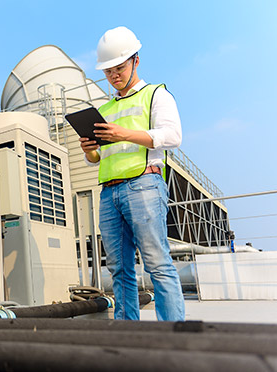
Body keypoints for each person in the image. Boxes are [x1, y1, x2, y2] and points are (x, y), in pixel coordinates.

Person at [79, 26, 185, 321]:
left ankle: (173, 336)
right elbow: (97, 157)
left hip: (144, 185)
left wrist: (123, 133)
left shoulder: (156, 95)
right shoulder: (105, 108)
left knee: (157, 262)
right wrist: (89, 149)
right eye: (108, 70)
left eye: (120, 67)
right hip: (109, 192)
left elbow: (172, 135)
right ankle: (127, 332)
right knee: (118, 268)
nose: (114, 75)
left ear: (136, 61)